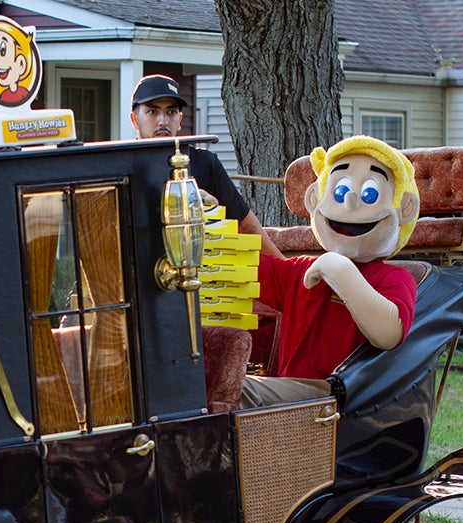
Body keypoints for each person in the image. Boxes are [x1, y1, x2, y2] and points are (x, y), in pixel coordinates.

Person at [240, 135, 421, 407]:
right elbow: (243, 263)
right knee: (214, 379)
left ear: (403, 208)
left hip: (334, 395)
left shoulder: (394, 278)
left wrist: (341, 271)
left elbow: (388, 334)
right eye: (339, 191)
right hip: (288, 390)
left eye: (369, 194)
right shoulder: (301, 270)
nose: (349, 202)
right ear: (316, 198)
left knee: (236, 388)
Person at [130, 74, 285, 259]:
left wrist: (288, 272)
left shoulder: (204, 162)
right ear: (134, 120)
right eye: (153, 112)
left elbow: (246, 226)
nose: (163, 121)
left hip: (202, 277)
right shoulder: (123, 167)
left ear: (180, 119)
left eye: (171, 112)